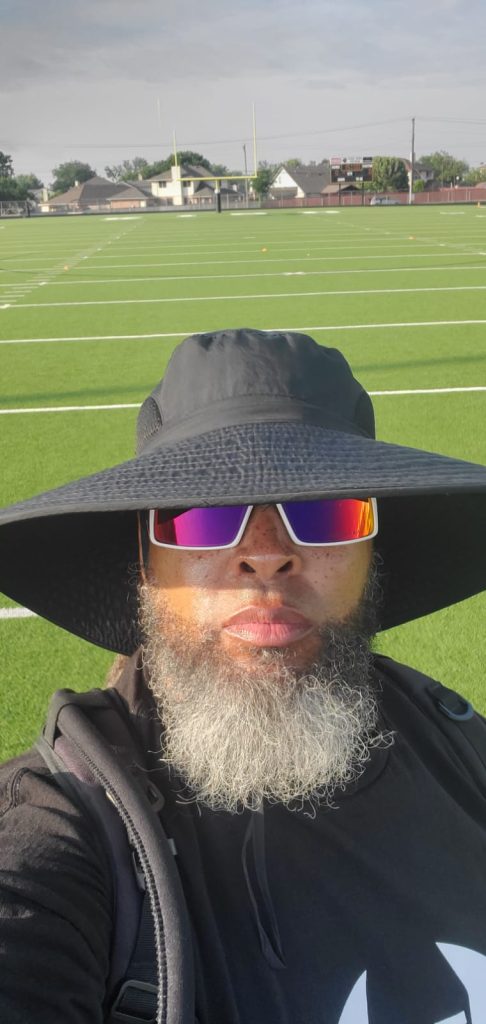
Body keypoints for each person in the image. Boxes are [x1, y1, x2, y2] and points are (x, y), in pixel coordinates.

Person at [1, 327, 486, 1024]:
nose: (265, 556)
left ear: (371, 554)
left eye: (325, 511)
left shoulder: (458, 746)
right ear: (145, 561)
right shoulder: (63, 826)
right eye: (203, 516)